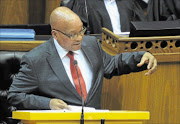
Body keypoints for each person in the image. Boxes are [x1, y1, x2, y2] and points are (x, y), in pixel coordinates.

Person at [8, 7, 157, 110]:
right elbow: (14, 95)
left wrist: (140, 56)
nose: (79, 38)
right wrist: (48, 103)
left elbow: (113, 63)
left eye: (81, 31)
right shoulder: (36, 59)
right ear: (55, 34)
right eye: (72, 34)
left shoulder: (91, 45)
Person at [61, 0, 146, 34]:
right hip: (99, 55)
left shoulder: (129, 2)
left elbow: (141, 29)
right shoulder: (84, 3)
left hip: (128, 54)